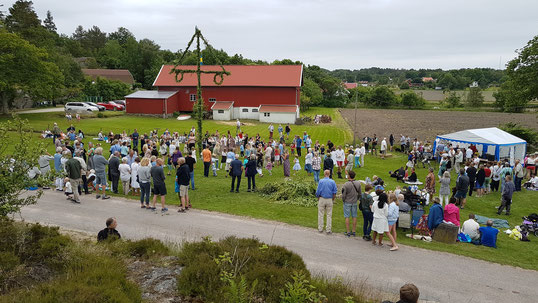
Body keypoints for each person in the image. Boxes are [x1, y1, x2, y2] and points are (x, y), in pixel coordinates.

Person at [316, 170, 337, 234]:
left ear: (324, 174)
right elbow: (334, 191)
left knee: (320, 214)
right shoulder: (332, 182)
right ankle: (328, 229)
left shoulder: (321, 181)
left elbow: (318, 191)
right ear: (329, 174)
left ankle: (320, 228)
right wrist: (333, 199)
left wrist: (318, 197)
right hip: (329, 199)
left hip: (322, 198)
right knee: (329, 215)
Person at [341, 171, 361, 237]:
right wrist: (357, 199)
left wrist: (343, 200)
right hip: (354, 202)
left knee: (347, 216)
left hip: (347, 202)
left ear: (349, 176)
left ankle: (348, 231)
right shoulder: (358, 183)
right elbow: (360, 193)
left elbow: (343, 194)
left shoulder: (346, 184)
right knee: (354, 216)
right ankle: (354, 231)